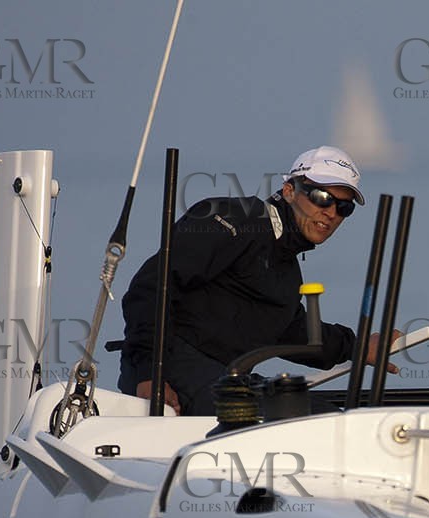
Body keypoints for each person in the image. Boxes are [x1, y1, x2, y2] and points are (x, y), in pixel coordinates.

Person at [115, 146, 394, 415]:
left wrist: (357, 348)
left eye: (344, 207)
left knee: (328, 419)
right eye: (322, 197)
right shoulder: (234, 219)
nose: (331, 212)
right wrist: (148, 373)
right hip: (169, 371)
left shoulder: (284, 269)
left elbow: (293, 331)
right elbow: (151, 289)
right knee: (305, 424)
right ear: (289, 191)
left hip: (223, 379)